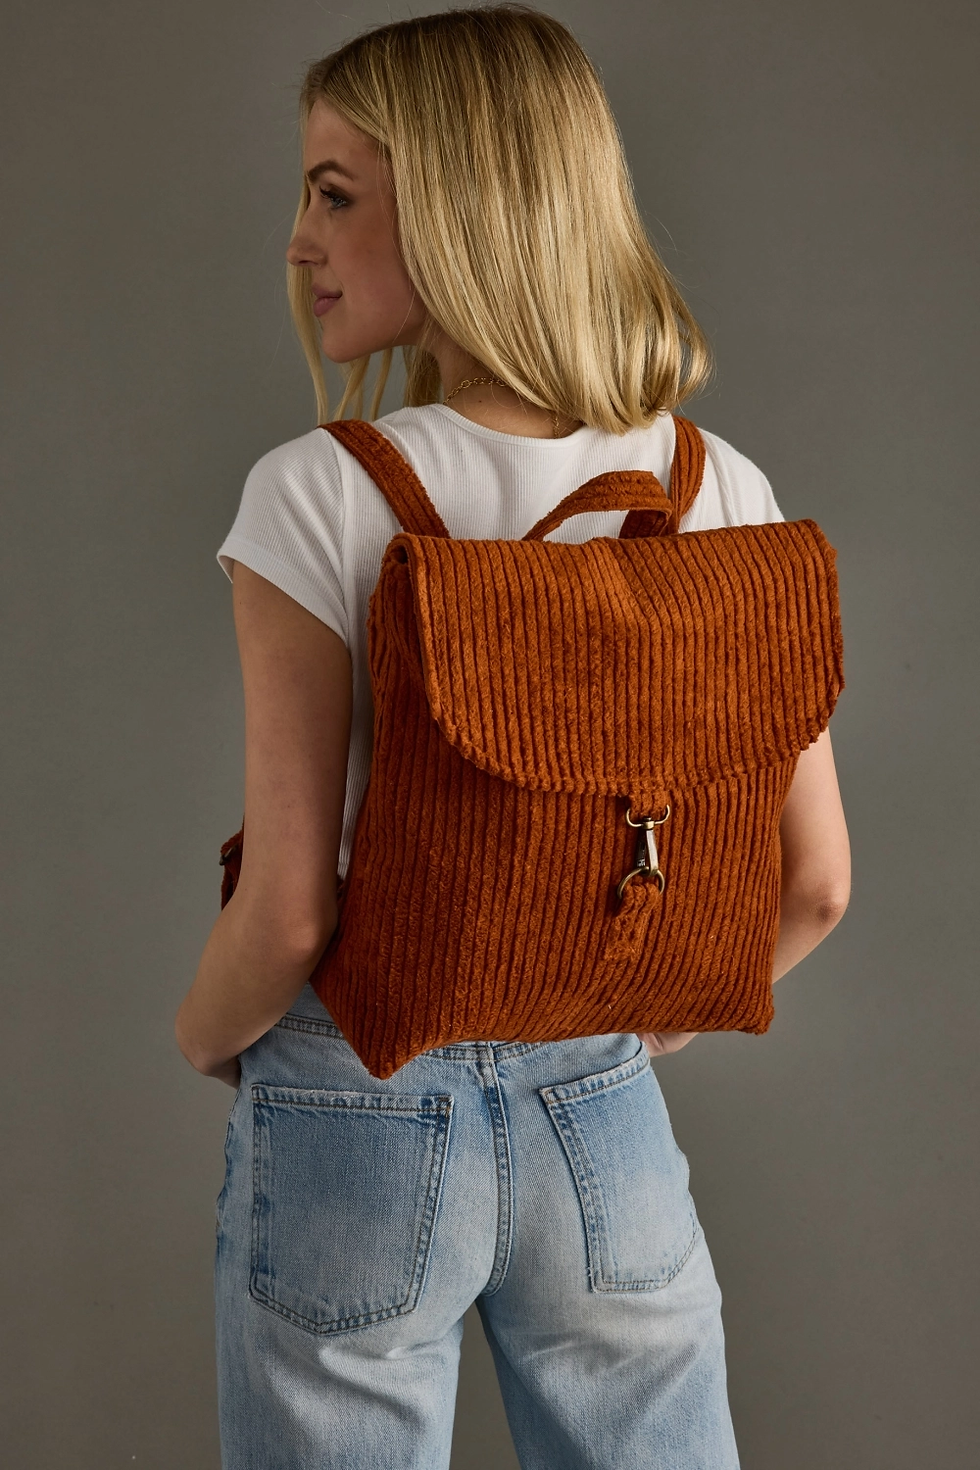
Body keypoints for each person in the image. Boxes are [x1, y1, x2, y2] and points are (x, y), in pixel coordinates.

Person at [175, 6, 851, 1466]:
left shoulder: (319, 492)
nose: (297, 240)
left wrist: (201, 1037)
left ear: (466, 206)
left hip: (355, 1093)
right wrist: (610, 1022)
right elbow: (816, 885)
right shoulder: (717, 480)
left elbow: (293, 907)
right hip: (602, 1112)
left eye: (335, 193)